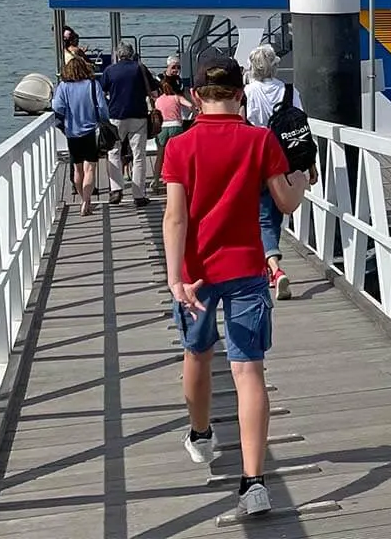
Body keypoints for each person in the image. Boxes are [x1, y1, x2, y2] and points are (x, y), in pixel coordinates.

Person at [163, 52, 309, 519]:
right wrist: (301, 178)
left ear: (193, 97)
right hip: (247, 268)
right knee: (250, 372)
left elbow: (174, 217)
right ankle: (254, 483)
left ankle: (201, 435)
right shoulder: (260, 139)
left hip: (196, 273)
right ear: (241, 94)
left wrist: (175, 278)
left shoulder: (180, 147)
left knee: (197, 355)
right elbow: (285, 203)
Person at [244, 44, 318, 300]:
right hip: (288, 160)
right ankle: (270, 266)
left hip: (261, 160)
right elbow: (301, 129)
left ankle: (274, 269)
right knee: (274, 215)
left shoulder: (249, 92)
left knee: (264, 216)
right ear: (275, 65)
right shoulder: (289, 90)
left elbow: (249, 125)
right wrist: (310, 164)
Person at [51, 55, 110, 216]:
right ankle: (87, 201)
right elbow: (103, 108)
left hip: (72, 132)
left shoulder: (63, 86)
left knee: (77, 169)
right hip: (90, 131)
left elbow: (57, 106)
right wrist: (105, 120)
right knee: (90, 168)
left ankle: (83, 200)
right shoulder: (92, 85)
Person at [101, 42, 155, 207]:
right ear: (132, 54)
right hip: (138, 115)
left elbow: (102, 91)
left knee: (114, 152)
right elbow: (153, 89)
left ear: (118, 55)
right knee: (139, 155)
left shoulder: (110, 70)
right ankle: (138, 195)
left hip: (116, 115)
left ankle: (116, 190)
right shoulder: (140, 68)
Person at [152, 79, 195, 192]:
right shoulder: (176, 97)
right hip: (176, 126)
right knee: (178, 155)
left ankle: (156, 180)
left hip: (162, 127)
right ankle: (181, 179)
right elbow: (190, 105)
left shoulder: (158, 100)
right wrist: (192, 114)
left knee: (160, 156)